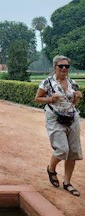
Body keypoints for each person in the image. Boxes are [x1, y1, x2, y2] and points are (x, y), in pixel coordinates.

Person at [35, 55, 83, 196]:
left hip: (72, 118)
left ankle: (67, 183)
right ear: (55, 67)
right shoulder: (47, 83)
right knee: (62, 150)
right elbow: (37, 98)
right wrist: (51, 98)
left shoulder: (73, 84)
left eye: (66, 66)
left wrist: (77, 99)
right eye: (60, 66)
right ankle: (51, 169)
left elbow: (72, 104)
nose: (64, 68)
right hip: (55, 118)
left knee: (73, 152)